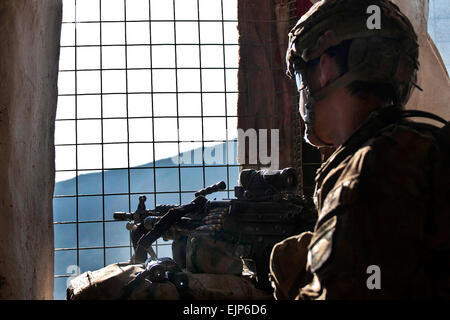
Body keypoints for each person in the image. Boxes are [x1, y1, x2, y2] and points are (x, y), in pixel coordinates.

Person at [269, 0, 450, 299]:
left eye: (301, 75)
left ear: (325, 69)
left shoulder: (369, 174)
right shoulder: (424, 148)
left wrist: (295, 279)